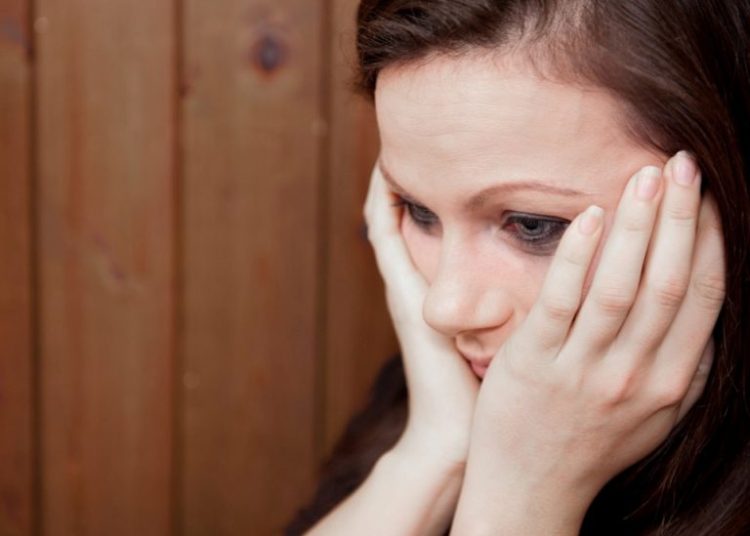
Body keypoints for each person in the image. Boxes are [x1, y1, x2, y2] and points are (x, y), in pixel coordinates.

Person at [286, 1, 750, 534]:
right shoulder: (434, 387)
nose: (444, 309)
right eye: (418, 211)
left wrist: (523, 493)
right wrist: (436, 451)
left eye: (532, 225)